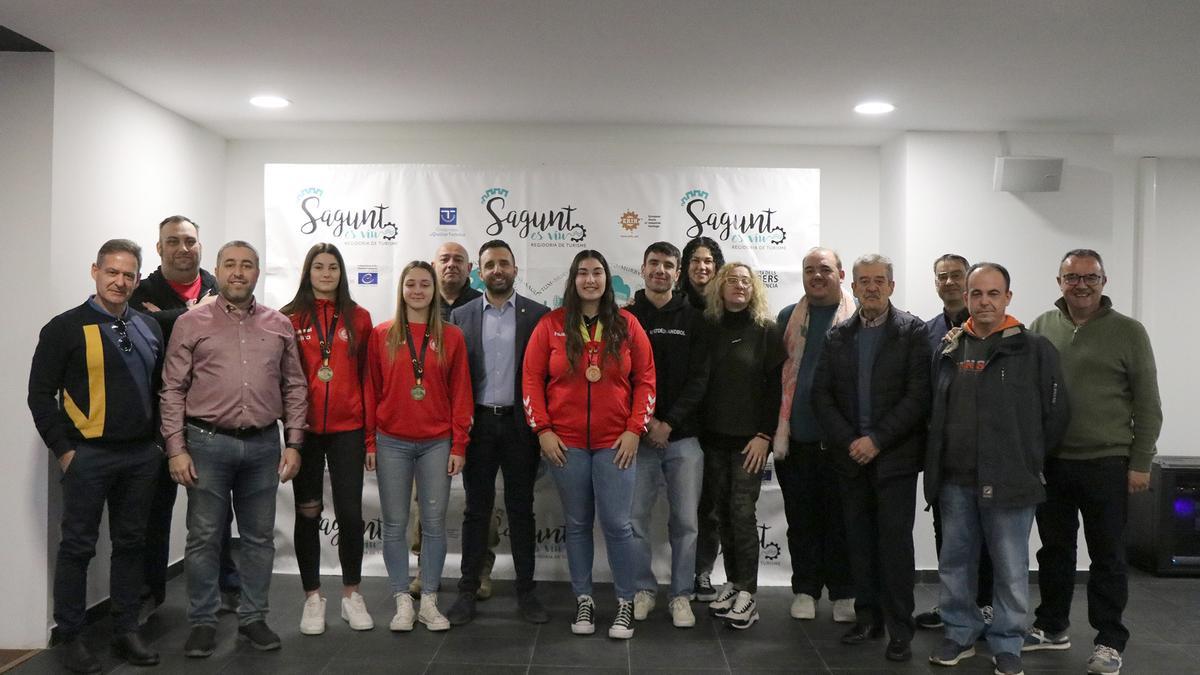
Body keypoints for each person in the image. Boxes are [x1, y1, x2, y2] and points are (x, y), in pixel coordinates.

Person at [160, 240, 307, 657]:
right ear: (218, 271)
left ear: (257, 273)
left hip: (263, 445)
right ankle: (203, 622)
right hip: (206, 444)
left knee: (259, 538)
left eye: (246, 265)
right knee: (204, 537)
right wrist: (176, 448)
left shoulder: (279, 324)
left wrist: (294, 441)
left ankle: (253, 618)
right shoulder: (191, 324)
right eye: (230, 265)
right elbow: (172, 388)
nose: (238, 273)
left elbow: (294, 386)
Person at [925, 262, 1069, 675]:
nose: (984, 301)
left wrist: (1029, 461)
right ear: (966, 298)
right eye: (976, 294)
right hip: (955, 480)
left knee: (1009, 567)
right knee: (955, 562)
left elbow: (1055, 415)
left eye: (993, 293)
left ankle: (1007, 641)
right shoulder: (952, 346)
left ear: (1008, 297)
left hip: (1010, 480)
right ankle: (959, 632)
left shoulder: (1034, 349)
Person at [29, 239, 164, 672]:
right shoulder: (63, 328)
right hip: (87, 457)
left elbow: (161, 391)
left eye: (128, 274)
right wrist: (65, 451)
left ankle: (126, 629)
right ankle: (70, 636)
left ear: (138, 278)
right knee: (78, 548)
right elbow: (39, 395)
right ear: (95, 271)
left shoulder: (148, 326)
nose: (120, 281)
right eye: (112, 272)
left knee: (130, 545)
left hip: (141, 457)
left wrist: (158, 444)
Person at [1025, 249, 1161, 675]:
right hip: (1054, 463)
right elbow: (1027, 396)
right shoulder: (1042, 327)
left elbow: (1148, 404)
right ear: (1059, 280)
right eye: (1072, 277)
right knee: (1055, 551)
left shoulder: (1129, 332)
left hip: (1109, 463)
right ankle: (1051, 627)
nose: (1081, 285)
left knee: (1108, 556)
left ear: (1104, 282)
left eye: (1090, 277)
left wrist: (1141, 462)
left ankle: (1108, 641)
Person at [522, 249, 656, 639]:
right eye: (583, 273)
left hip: (617, 443)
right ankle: (584, 600)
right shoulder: (550, 325)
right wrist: (543, 430)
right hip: (566, 445)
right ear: (573, 280)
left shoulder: (627, 325)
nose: (590, 280)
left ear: (607, 279)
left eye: (597, 272)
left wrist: (635, 429)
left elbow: (646, 379)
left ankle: (625, 603)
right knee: (578, 524)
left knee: (617, 525)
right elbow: (531, 379)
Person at [812, 254, 931, 662]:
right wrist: (852, 442)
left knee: (895, 547)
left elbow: (918, 396)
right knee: (858, 542)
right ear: (854, 287)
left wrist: (876, 440)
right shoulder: (838, 335)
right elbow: (821, 396)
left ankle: (900, 628)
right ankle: (868, 618)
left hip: (894, 459)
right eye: (864, 281)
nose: (872, 287)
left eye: (879, 280)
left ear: (891, 286)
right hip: (851, 459)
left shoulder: (912, 331)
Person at [130, 215, 241, 620]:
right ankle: (148, 595)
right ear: (159, 248)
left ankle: (227, 585)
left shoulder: (220, 285)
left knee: (214, 513)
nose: (183, 248)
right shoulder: (141, 292)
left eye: (190, 241)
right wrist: (194, 314)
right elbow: (140, 326)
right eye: (173, 241)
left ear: (200, 245)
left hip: (209, 419)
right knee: (154, 511)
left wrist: (171, 316)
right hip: (157, 423)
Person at [446, 239, 551, 625]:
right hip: (478, 425)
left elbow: (545, 376)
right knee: (477, 511)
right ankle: (466, 592)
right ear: (480, 270)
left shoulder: (538, 316)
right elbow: (455, 380)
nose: (497, 270)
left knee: (522, 510)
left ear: (515, 269)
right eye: (489, 265)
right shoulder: (462, 316)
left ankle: (527, 592)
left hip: (521, 425)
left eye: (503, 263)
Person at [365, 260, 473, 632]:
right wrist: (370, 441)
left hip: (437, 442)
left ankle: (428, 599)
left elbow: (461, 395)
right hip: (391, 440)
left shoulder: (452, 337)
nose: (417, 290)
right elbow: (370, 391)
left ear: (434, 290)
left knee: (433, 524)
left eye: (425, 284)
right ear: (401, 289)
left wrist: (459, 443)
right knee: (394, 525)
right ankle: (401, 601)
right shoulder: (382, 334)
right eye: (410, 284)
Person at [279, 243, 375, 635]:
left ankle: (352, 594)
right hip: (304, 432)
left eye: (332, 266)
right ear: (307, 271)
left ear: (341, 272)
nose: (325, 273)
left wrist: (370, 438)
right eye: (318, 266)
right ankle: (312, 598)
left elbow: (369, 379)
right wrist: (290, 433)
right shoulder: (288, 317)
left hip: (348, 431)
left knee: (351, 514)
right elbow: (284, 379)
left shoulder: (360, 317)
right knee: (308, 513)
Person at [697, 262, 785, 630]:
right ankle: (732, 582)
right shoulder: (708, 328)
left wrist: (765, 435)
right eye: (731, 280)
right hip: (713, 440)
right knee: (721, 516)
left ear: (754, 289)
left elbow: (775, 388)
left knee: (742, 514)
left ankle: (749, 594)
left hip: (751, 442)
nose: (739, 286)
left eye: (746, 281)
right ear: (720, 287)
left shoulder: (766, 331)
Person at [627, 242, 710, 629]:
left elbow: (700, 380)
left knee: (686, 523)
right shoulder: (624, 318)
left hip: (684, 438)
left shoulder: (695, 319)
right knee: (636, 519)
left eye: (669, 266)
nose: (661, 271)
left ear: (678, 274)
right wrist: (644, 424)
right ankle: (643, 589)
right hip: (637, 439)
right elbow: (620, 381)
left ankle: (680, 594)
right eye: (654, 264)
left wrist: (669, 423)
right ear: (642, 269)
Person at [772, 247, 857, 623]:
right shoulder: (789, 317)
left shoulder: (859, 318)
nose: (817, 276)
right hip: (799, 438)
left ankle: (843, 593)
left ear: (840, 273)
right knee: (802, 522)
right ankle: (805, 589)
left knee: (842, 522)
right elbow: (779, 374)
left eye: (825, 269)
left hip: (843, 441)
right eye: (810, 270)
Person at [916, 253, 995, 631]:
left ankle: (985, 606)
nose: (948, 282)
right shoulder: (926, 332)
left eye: (956, 276)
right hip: (942, 452)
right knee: (947, 533)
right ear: (935, 283)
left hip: (987, 450)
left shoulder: (992, 327)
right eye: (941, 276)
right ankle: (953, 607)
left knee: (988, 532)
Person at [434, 241, 483, 320]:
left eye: (458, 260)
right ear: (433, 267)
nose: (451, 264)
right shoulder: (423, 302)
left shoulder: (482, 303)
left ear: (469, 268)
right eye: (444, 259)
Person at [678, 236, 725, 311]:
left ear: (716, 266)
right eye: (695, 260)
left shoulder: (726, 302)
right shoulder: (675, 303)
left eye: (708, 261)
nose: (701, 267)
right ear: (686, 265)